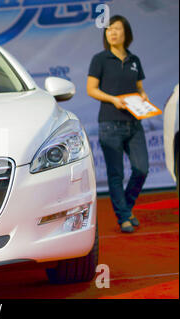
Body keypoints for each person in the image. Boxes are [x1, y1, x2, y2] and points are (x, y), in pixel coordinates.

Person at [87, 15, 149, 233]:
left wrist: (143, 98)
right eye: (109, 29)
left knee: (141, 169)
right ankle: (123, 217)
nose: (112, 32)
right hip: (109, 124)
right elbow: (91, 89)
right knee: (116, 174)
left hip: (134, 124)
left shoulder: (134, 60)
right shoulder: (100, 59)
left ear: (126, 33)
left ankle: (126, 208)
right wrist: (114, 99)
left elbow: (139, 89)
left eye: (117, 28)